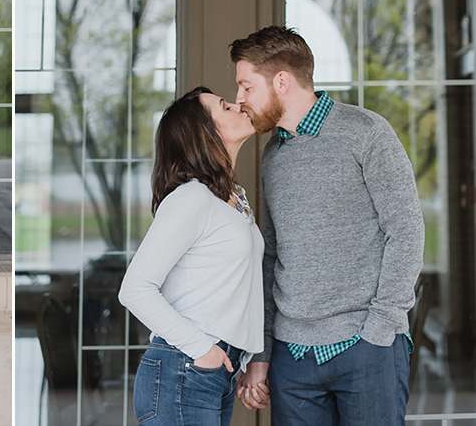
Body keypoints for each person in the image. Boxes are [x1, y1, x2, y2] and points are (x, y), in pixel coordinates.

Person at [230, 25, 425, 425]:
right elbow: (271, 257)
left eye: (247, 87)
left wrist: (380, 328)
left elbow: (406, 230)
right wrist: (264, 353)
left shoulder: (366, 133)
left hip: (366, 346)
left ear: (281, 81)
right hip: (293, 358)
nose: (239, 99)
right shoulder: (273, 156)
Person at [118, 86, 263, 426]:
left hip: (210, 370)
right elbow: (135, 289)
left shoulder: (231, 199)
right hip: (184, 367)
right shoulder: (192, 198)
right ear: (204, 135)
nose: (239, 104)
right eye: (225, 107)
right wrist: (203, 350)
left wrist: (245, 357)